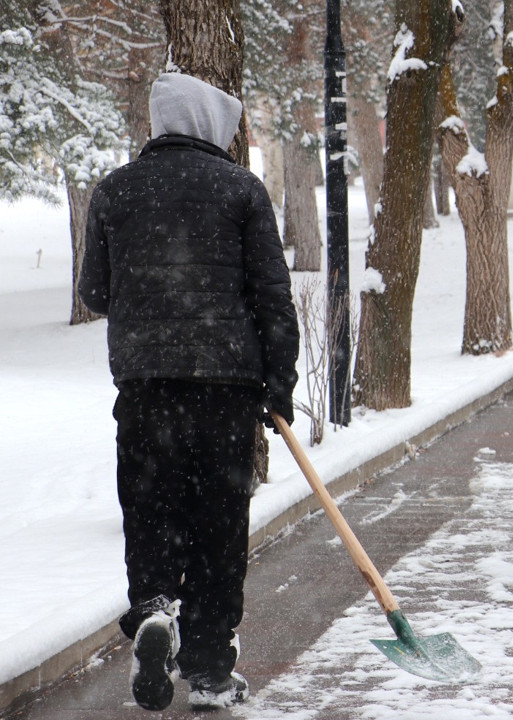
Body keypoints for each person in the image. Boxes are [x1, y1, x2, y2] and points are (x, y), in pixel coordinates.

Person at [78, 72, 300, 710]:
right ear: (209, 123)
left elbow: (95, 292)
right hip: (226, 394)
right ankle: (207, 666)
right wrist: (277, 387)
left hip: (146, 391)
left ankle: (153, 611)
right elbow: (273, 301)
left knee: (151, 513)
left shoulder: (115, 191)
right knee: (217, 528)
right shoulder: (241, 190)